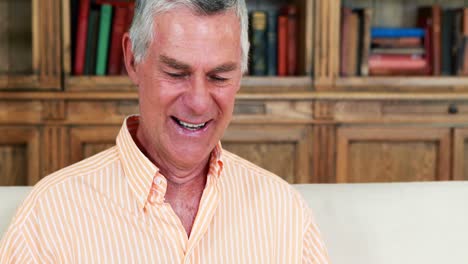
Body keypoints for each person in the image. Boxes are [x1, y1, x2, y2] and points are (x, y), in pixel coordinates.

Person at [0, 0, 329, 262]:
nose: (199, 102)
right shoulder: (50, 214)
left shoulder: (284, 211)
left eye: (219, 76)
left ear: (241, 74)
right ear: (132, 60)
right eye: (176, 72)